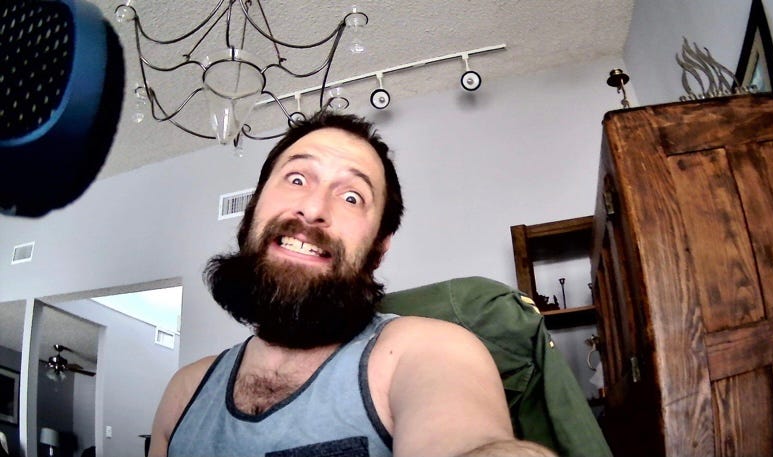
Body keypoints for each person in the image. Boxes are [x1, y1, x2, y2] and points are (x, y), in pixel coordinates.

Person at [148, 112, 556, 457]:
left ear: (378, 250)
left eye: (351, 198)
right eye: (296, 179)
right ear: (251, 214)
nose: (312, 208)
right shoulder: (184, 392)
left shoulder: (429, 351)